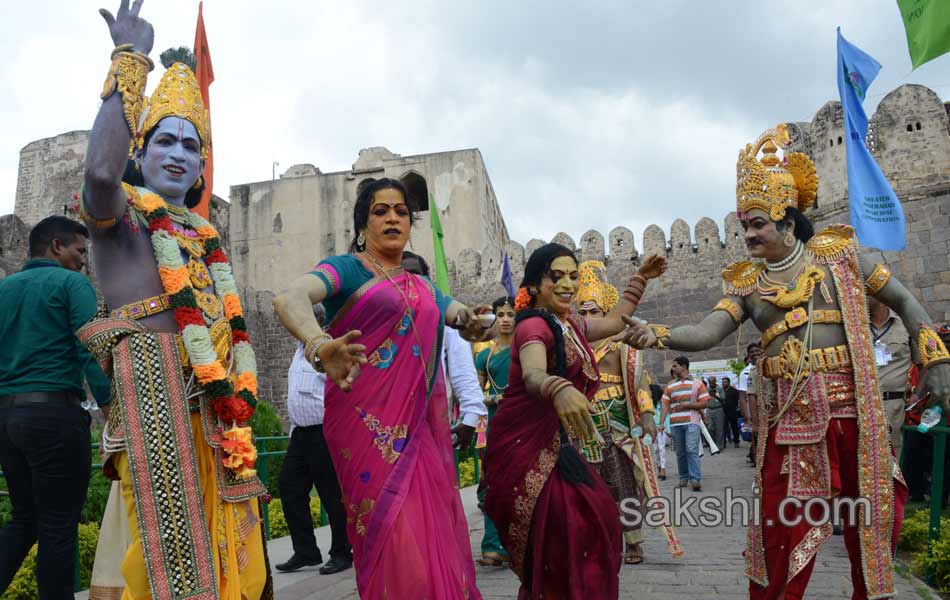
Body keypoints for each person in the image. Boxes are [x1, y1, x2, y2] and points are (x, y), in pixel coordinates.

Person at [619, 124, 947, 599]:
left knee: (873, 518)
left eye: (758, 224)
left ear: (789, 223)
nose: (747, 234)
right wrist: (658, 333)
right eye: (743, 225)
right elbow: (709, 330)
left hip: (855, 415)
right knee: (780, 527)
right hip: (790, 422)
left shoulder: (842, 257)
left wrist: (935, 357)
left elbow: (906, 301)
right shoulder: (746, 284)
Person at [78, 3, 269, 596]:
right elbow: (102, 176)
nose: (179, 153)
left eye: (192, 145)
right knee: (173, 564)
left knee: (233, 554)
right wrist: (129, 63)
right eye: (165, 140)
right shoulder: (125, 219)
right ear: (142, 147)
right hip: (154, 397)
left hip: (216, 411)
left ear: (200, 168)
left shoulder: (206, 236)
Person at [271, 177, 493, 599]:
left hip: (420, 432)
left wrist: (474, 320)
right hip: (364, 430)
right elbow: (290, 298)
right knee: (393, 535)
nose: (393, 217)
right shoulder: (347, 269)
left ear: (411, 223)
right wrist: (319, 343)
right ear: (363, 223)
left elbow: (457, 313)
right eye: (380, 210)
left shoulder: (423, 286)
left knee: (429, 538)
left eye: (401, 211)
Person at [484, 243, 666, 599]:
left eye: (573, 276)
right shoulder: (533, 326)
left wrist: (640, 278)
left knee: (594, 524)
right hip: (531, 452)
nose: (568, 284)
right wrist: (558, 388)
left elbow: (614, 322)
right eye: (558, 276)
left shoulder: (570, 324)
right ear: (535, 285)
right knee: (565, 535)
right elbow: (535, 372)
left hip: (563, 448)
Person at [0, 217, 111, 599]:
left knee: (24, 519)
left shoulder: (4, 289)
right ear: (57, 246)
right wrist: (114, 410)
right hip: (53, 416)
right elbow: (92, 349)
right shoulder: (71, 284)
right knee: (58, 526)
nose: (84, 261)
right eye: (80, 251)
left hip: (7, 418)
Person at [574, 260, 683, 564]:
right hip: (585, 422)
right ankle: (596, 540)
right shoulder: (574, 345)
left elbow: (640, 382)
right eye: (581, 312)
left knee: (624, 484)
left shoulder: (621, 341)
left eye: (593, 311)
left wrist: (648, 416)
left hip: (620, 421)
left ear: (605, 312)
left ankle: (633, 542)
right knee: (588, 485)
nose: (587, 317)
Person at [276, 304, 352, 575]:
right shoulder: (299, 351)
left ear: (316, 321)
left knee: (332, 495)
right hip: (300, 434)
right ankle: (306, 551)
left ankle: (342, 552)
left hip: (324, 432)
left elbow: (344, 393)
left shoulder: (330, 348)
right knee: (289, 487)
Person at [401, 251, 488, 450]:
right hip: (384, 424)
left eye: (415, 274)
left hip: (432, 423)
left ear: (427, 282)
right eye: (401, 275)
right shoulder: (379, 318)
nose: (409, 281)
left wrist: (471, 417)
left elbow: (462, 368)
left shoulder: (444, 318)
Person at [473, 296, 516, 567]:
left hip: (525, 419)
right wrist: (493, 400)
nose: (505, 319)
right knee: (493, 483)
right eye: (500, 314)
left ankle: (521, 542)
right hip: (495, 421)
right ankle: (492, 545)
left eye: (511, 314)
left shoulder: (529, 349)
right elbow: (475, 392)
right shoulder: (485, 355)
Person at [868, 296, 912, 458]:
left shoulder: (906, 324)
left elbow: (925, 364)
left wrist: (918, 395)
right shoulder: (855, 327)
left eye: (866, 292)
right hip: (862, 405)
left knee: (892, 458)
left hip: (893, 407)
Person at [659, 357, 710, 491]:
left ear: (684, 366)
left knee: (691, 450)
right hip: (675, 423)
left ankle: (695, 479)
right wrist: (661, 423)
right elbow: (665, 406)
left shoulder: (697, 384)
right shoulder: (670, 386)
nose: (672, 369)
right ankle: (683, 477)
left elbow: (705, 403)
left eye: (675, 366)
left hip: (692, 422)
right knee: (680, 452)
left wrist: (689, 405)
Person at [738, 343, 763, 465]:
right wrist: (747, 418)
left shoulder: (767, 367)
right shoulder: (745, 373)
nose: (755, 354)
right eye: (752, 352)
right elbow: (743, 397)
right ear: (748, 356)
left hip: (768, 410)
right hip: (754, 412)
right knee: (755, 437)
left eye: (757, 351)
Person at [649, 383, 668, 479]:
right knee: (655, 450)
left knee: (661, 449)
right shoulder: (648, 404)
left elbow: (666, 415)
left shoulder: (661, 403)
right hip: (652, 429)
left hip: (661, 428)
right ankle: (659, 468)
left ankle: (663, 470)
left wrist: (667, 427)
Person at [705, 375, 726, 451]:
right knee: (709, 428)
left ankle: (719, 446)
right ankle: (712, 444)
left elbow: (723, 399)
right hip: (709, 410)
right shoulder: (707, 389)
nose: (712, 384)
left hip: (718, 409)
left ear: (715, 381)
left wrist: (715, 396)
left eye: (713, 382)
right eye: (710, 382)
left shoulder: (719, 388)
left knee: (719, 428)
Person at [721, 377, 742, 449]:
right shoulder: (721, 391)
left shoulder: (734, 391)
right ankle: (723, 443)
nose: (723, 383)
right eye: (723, 382)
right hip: (723, 412)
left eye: (725, 382)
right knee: (723, 428)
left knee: (734, 427)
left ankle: (736, 442)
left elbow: (739, 400)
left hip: (732, 412)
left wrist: (738, 408)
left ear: (729, 382)